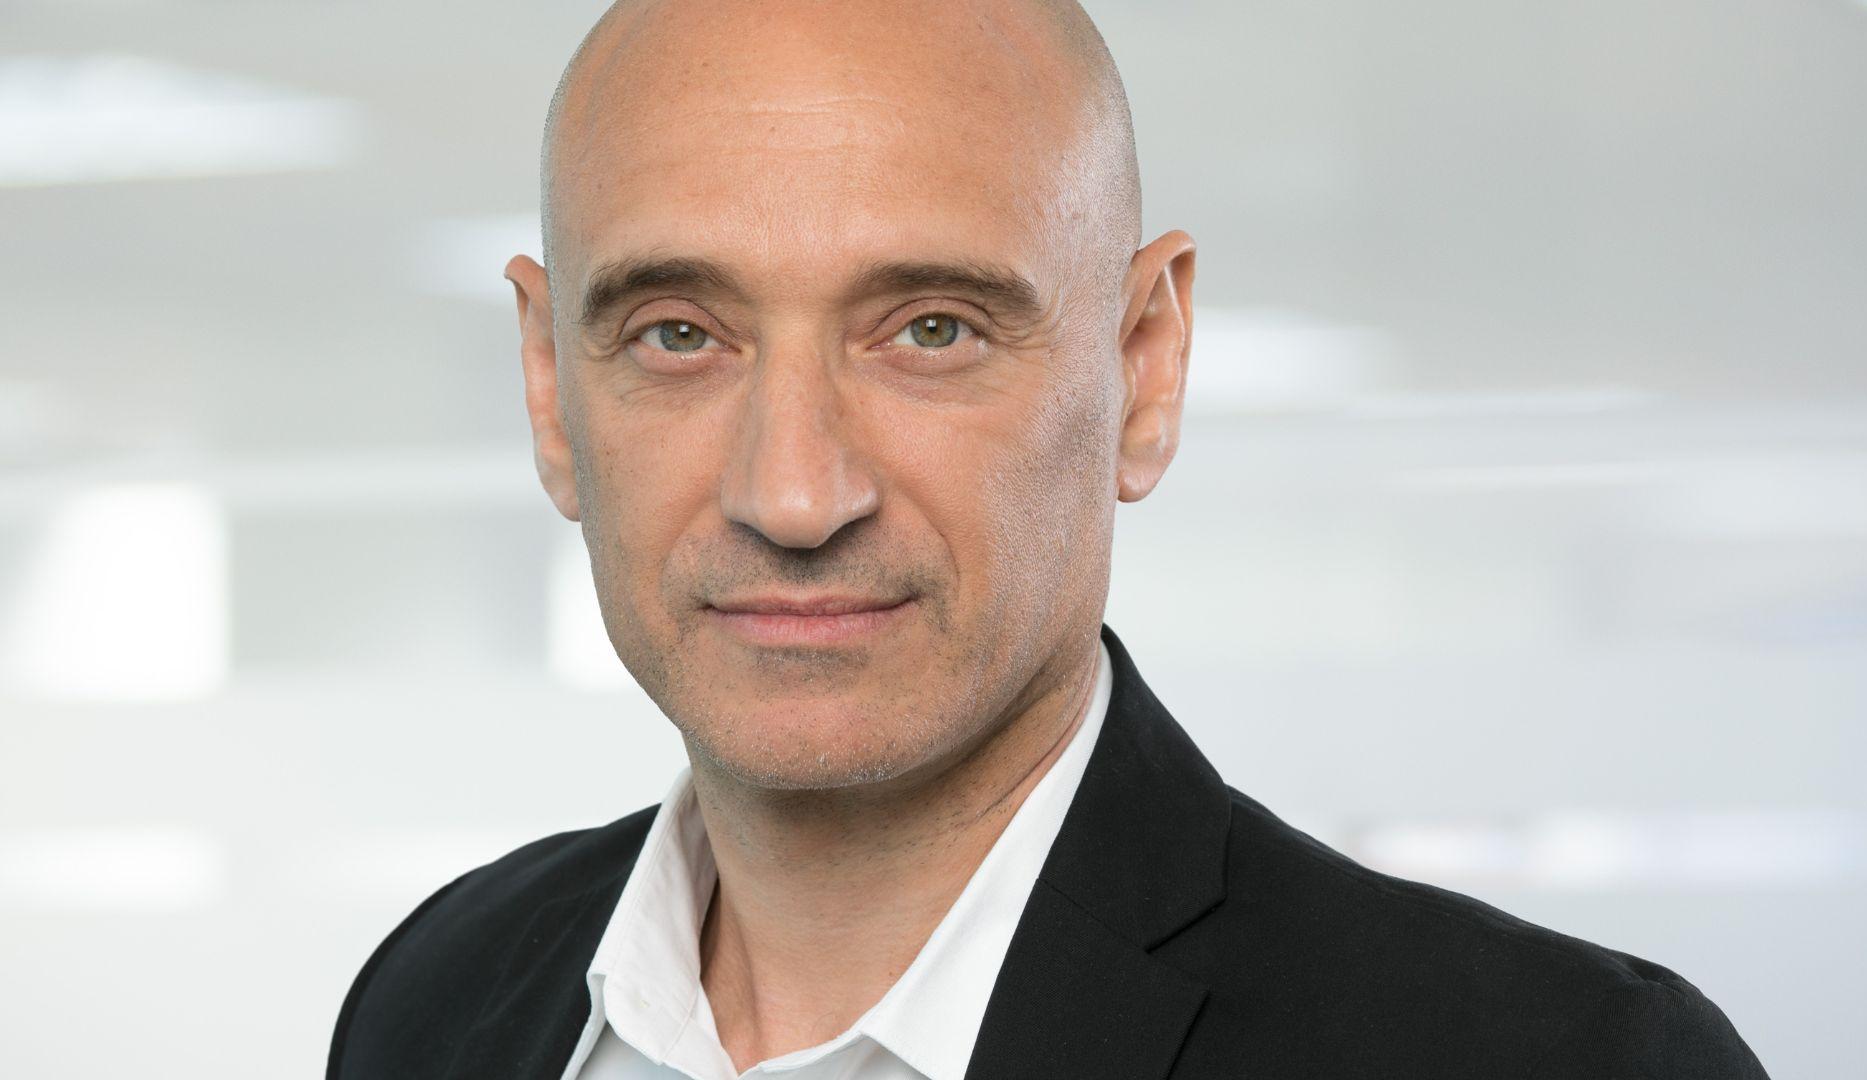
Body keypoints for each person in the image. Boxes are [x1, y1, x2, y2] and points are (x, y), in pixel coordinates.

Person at [327, 1, 1770, 1077]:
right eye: (678, 334)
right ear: (551, 392)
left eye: (931, 330)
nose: (794, 494)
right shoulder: (439, 1000)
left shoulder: (1549, 1061)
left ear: (1144, 368)